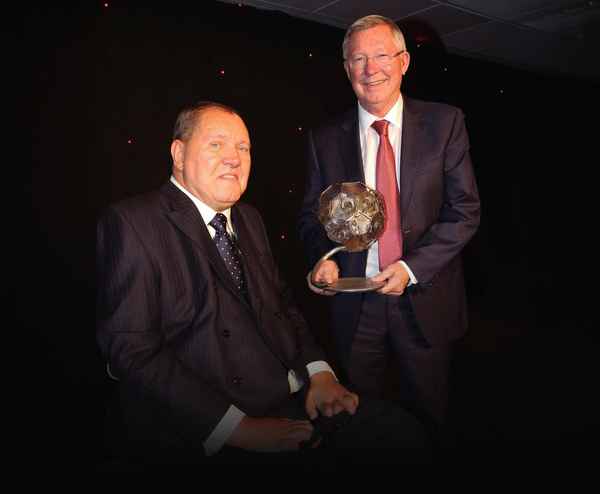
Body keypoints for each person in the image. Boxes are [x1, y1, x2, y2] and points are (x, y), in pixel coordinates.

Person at [96, 101, 360, 468]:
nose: (234, 158)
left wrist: (320, 373)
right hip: (210, 425)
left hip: (296, 394)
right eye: (216, 144)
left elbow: (282, 305)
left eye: (243, 148)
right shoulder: (133, 223)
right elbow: (131, 350)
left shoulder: (249, 219)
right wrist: (238, 429)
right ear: (178, 154)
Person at [298, 15, 481, 433]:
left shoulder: (445, 123)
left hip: (426, 299)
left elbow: (465, 210)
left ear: (404, 62)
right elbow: (311, 217)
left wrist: (411, 268)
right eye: (358, 59)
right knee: (362, 420)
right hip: (355, 304)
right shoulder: (323, 139)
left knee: (430, 419)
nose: (370, 69)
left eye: (381, 55)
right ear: (346, 68)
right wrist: (322, 259)